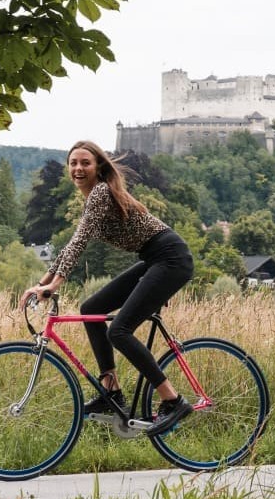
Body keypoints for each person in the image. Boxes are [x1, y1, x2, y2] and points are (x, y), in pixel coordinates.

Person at [20, 140, 197, 436]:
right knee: (91, 309)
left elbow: (79, 244)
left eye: (85, 163)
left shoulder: (101, 191)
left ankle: (173, 399)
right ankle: (111, 390)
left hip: (171, 258)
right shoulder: (93, 197)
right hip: (154, 260)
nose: (78, 168)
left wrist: (54, 286)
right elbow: (70, 245)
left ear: (98, 167)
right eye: (73, 163)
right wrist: (40, 285)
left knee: (119, 331)